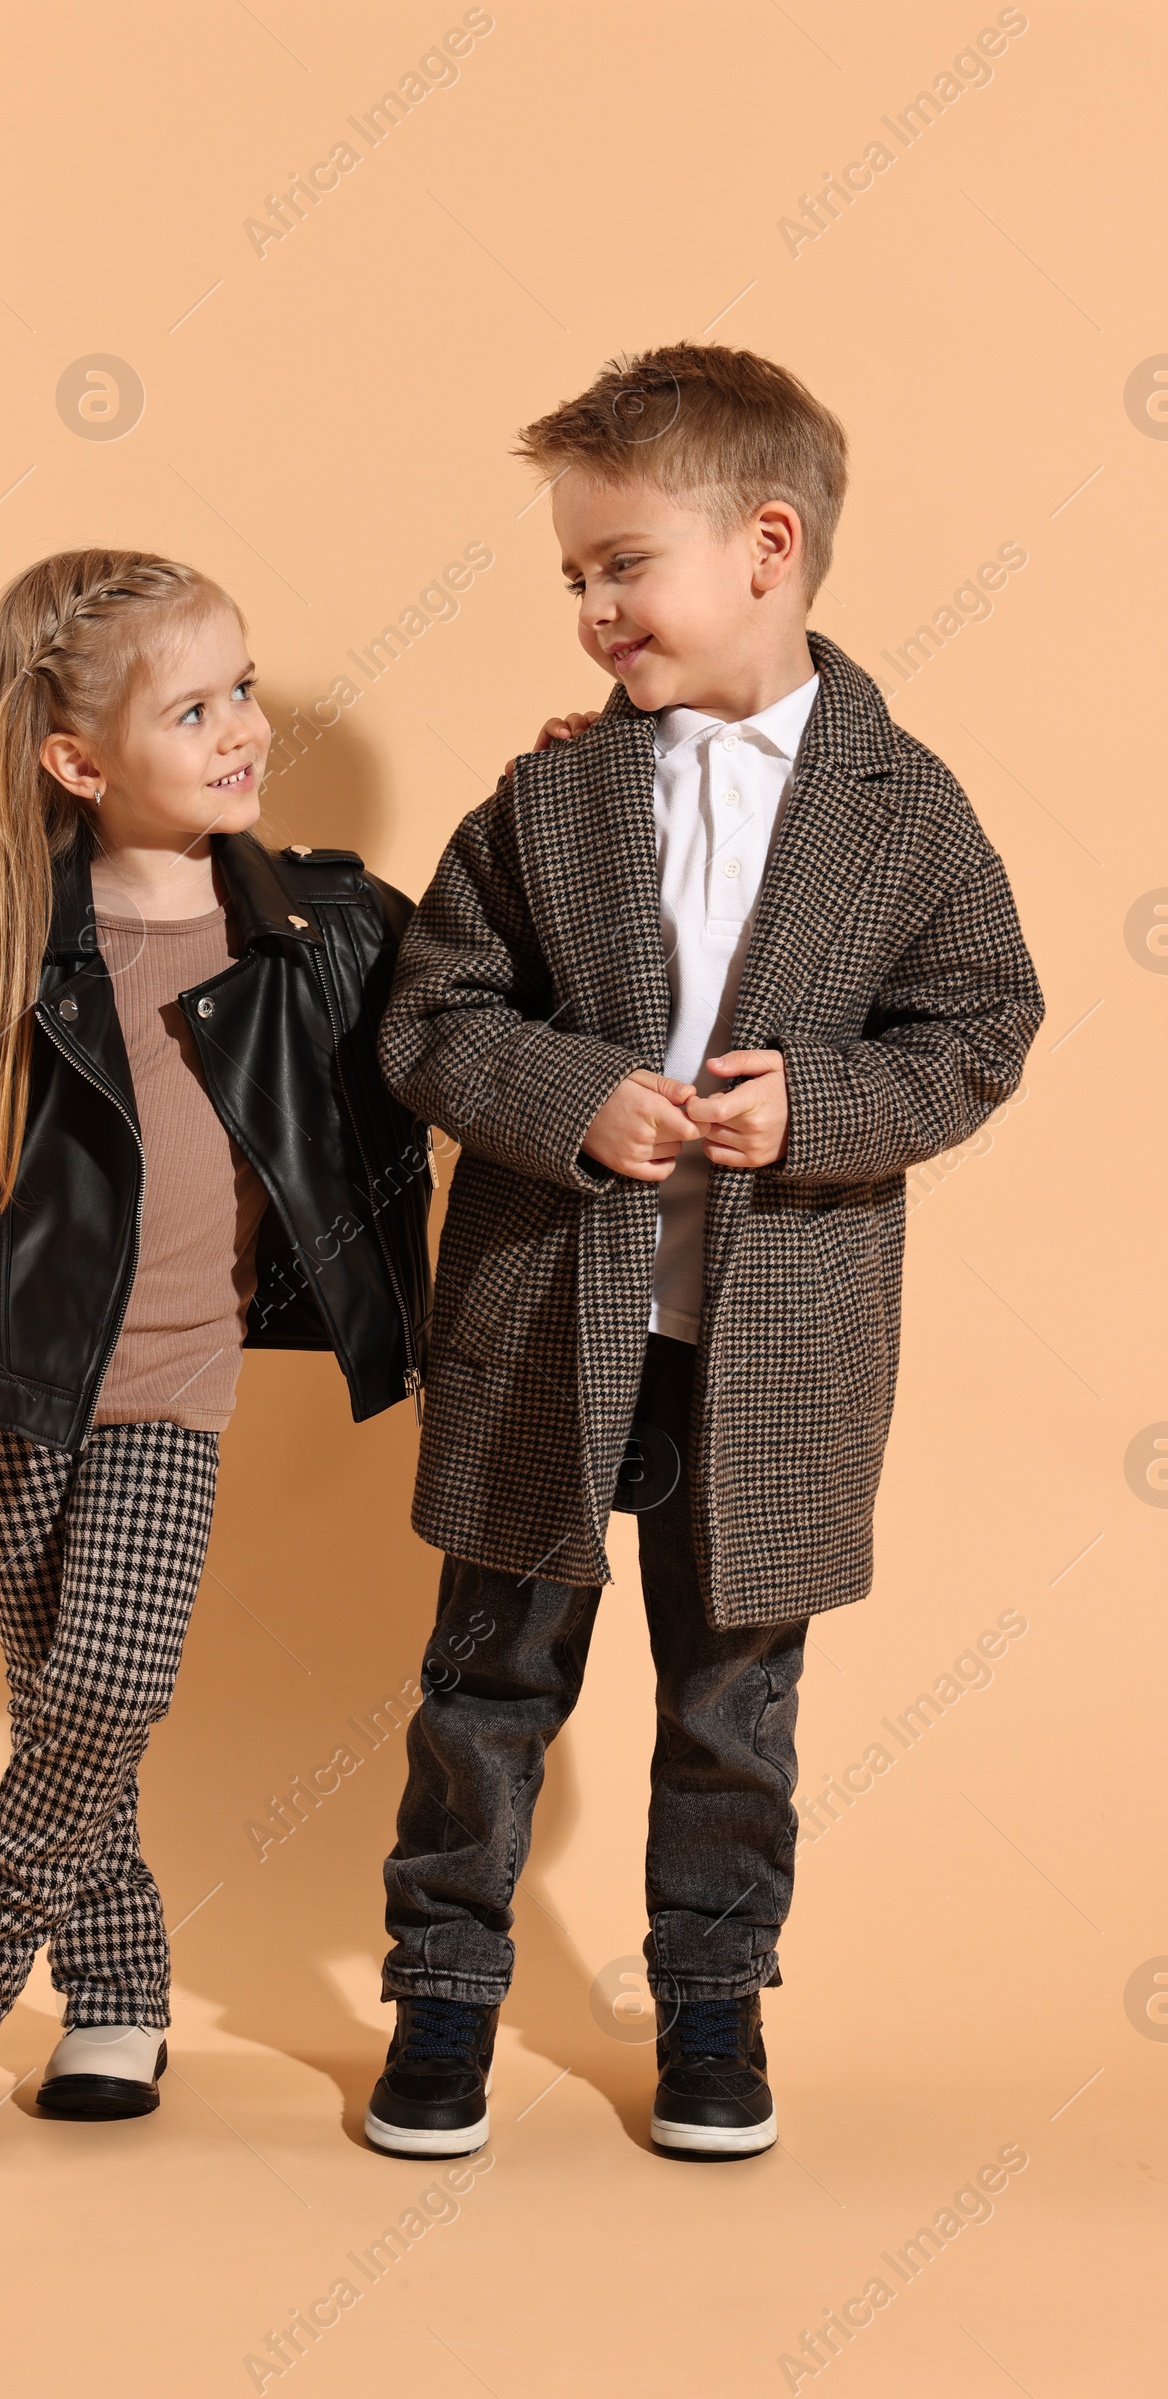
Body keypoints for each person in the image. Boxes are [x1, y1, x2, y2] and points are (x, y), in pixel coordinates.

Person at [363, 345, 1044, 2161]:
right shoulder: (552, 796)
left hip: (785, 1334)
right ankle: (442, 1999)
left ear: (767, 544)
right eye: (571, 578)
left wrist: (814, 1106)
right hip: (545, 1317)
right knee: (489, 1675)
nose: (589, 609)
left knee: (736, 1699)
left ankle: (716, 2007)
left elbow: (981, 1024)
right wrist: (575, 1093)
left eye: (619, 567)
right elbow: (432, 1014)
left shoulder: (906, 805)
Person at [0, 549, 430, 2147]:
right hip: (7, 1384)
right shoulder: (0, 950)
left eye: (245, 687)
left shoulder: (324, 924)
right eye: (195, 708)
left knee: (107, 1678)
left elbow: (486, 993)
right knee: (63, 1708)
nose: (245, 727)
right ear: (78, 763)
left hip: (180, 1375)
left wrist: (567, 787)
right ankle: (120, 2001)